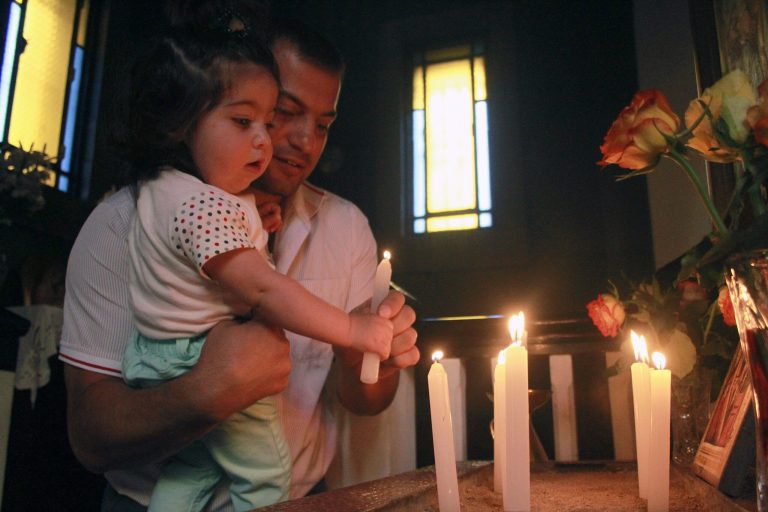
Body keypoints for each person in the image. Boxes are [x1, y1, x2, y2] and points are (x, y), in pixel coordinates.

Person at [59, 6, 419, 512]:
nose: (304, 141)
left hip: (296, 499)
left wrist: (368, 356)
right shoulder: (125, 223)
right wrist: (204, 391)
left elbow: (366, 402)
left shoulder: (345, 227)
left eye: (324, 124)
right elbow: (90, 439)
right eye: (282, 114)